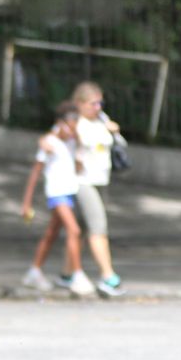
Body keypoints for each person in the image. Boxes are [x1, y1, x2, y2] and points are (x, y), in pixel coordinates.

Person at [18, 101, 95, 297]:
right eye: (71, 121)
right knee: (74, 230)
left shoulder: (71, 142)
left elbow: (79, 162)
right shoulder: (50, 143)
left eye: (77, 121)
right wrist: (26, 203)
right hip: (56, 193)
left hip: (68, 191)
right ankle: (77, 275)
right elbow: (35, 173)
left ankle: (34, 271)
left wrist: (76, 141)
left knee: (51, 233)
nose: (74, 125)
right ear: (60, 122)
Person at [65, 80, 124, 297]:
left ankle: (67, 272)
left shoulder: (101, 119)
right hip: (83, 181)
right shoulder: (75, 123)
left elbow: (119, 144)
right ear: (79, 103)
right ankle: (108, 277)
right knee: (98, 227)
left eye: (100, 103)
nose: (98, 108)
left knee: (79, 230)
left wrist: (113, 130)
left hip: (100, 180)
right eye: (93, 104)